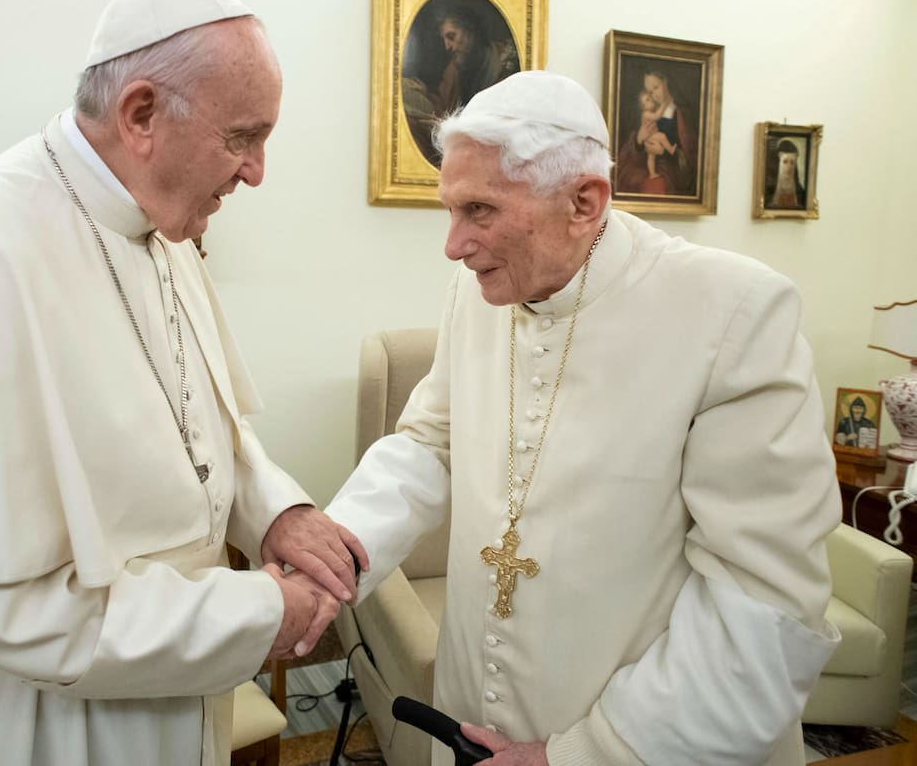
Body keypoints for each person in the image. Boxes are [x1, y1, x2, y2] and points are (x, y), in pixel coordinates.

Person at [0, 0, 366, 766]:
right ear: (141, 114)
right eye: (243, 137)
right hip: (24, 721)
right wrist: (257, 613)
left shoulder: (162, 228)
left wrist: (277, 512)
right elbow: (2, 611)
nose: (256, 171)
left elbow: (206, 430)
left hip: (166, 686)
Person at [326, 71, 841, 766]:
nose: (453, 245)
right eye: (450, 210)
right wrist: (333, 553)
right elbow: (429, 442)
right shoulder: (475, 290)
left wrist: (583, 753)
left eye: (479, 211)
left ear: (583, 202)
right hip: (469, 713)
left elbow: (764, 602)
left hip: (642, 745)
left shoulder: (735, 314)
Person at [403, 0, 520, 166]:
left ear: (470, 31)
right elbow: (445, 109)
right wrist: (425, 93)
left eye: (451, 36)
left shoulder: (504, 63)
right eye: (444, 39)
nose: (447, 46)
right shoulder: (455, 67)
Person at [616, 70, 697, 196]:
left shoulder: (682, 113)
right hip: (648, 166)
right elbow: (627, 156)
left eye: (656, 87)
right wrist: (638, 141)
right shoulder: (650, 113)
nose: (654, 95)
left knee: (656, 185)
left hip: (672, 172)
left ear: (666, 82)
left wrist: (664, 152)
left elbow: (691, 157)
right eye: (650, 92)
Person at [636, 89, 676, 187]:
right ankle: (670, 149)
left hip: (651, 137)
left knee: (651, 157)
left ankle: (652, 173)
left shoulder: (649, 112)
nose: (651, 100)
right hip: (650, 137)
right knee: (662, 136)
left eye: (650, 98)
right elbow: (657, 116)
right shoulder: (646, 114)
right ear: (644, 106)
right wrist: (664, 105)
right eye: (647, 100)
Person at [769, 139, 807, 209]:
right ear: (779, 162)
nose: (789, 167)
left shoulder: (801, 193)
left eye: (792, 162)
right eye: (785, 162)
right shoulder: (769, 190)